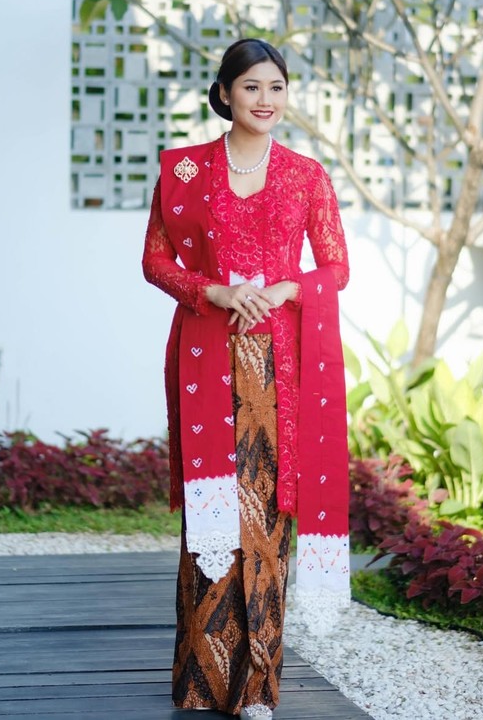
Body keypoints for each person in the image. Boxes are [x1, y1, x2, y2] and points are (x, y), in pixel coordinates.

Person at [142, 39, 351, 719]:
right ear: (226, 92)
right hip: (208, 357)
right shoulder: (186, 171)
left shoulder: (305, 175)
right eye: (253, 87)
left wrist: (290, 286)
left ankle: (257, 683)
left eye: (278, 88)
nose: (267, 100)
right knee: (212, 521)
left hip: (278, 370)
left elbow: (335, 268)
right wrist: (216, 293)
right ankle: (202, 680)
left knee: (263, 520)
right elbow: (156, 259)